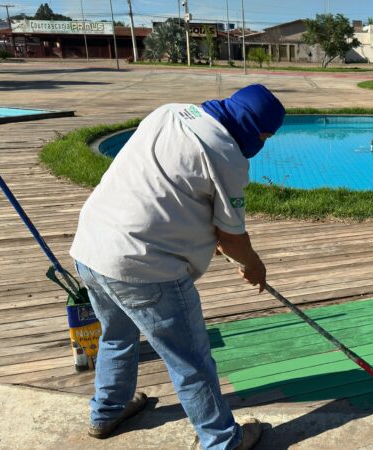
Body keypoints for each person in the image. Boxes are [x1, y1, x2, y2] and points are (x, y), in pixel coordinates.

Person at [70, 84, 286, 450]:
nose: (263, 142)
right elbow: (233, 238)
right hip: (145, 268)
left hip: (92, 248)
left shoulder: (169, 111)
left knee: (116, 335)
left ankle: (107, 411)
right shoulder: (227, 155)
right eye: (264, 134)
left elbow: (166, 186)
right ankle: (222, 440)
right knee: (191, 360)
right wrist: (255, 267)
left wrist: (199, 236)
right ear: (253, 127)